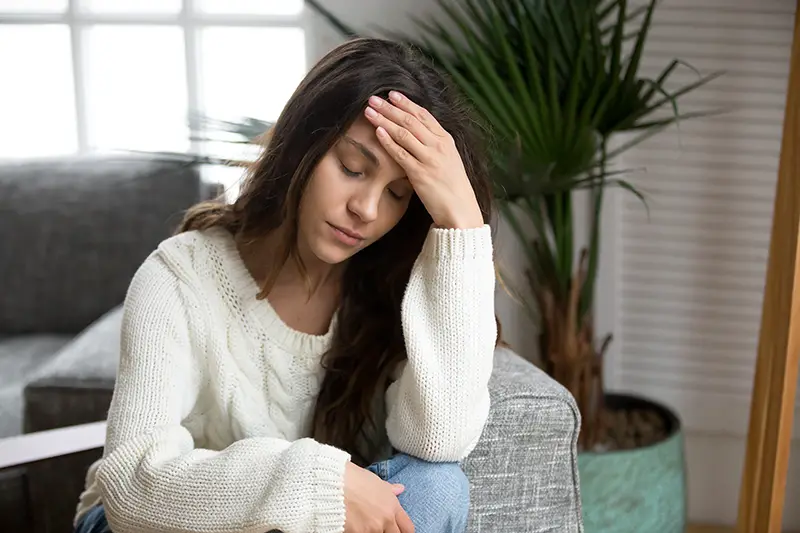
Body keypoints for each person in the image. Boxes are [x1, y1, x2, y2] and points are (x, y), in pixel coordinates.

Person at [73, 37, 498, 533]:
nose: (366, 209)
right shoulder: (180, 276)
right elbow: (131, 489)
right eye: (351, 168)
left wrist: (463, 227)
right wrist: (315, 480)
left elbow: (439, 439)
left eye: (397, 195)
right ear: (302, 145)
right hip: (150, 522)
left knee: (439, 486)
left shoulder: (395, 288)